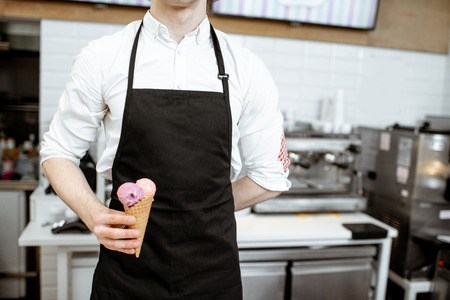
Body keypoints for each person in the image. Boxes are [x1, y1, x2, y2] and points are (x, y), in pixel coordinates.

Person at [40, 0, 291, 299]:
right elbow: (58, 150)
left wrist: (206, 206)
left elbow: (271, 176)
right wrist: (92, 212)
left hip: (212, 277)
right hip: (126, 276)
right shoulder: (103, 57)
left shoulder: (246, 67)